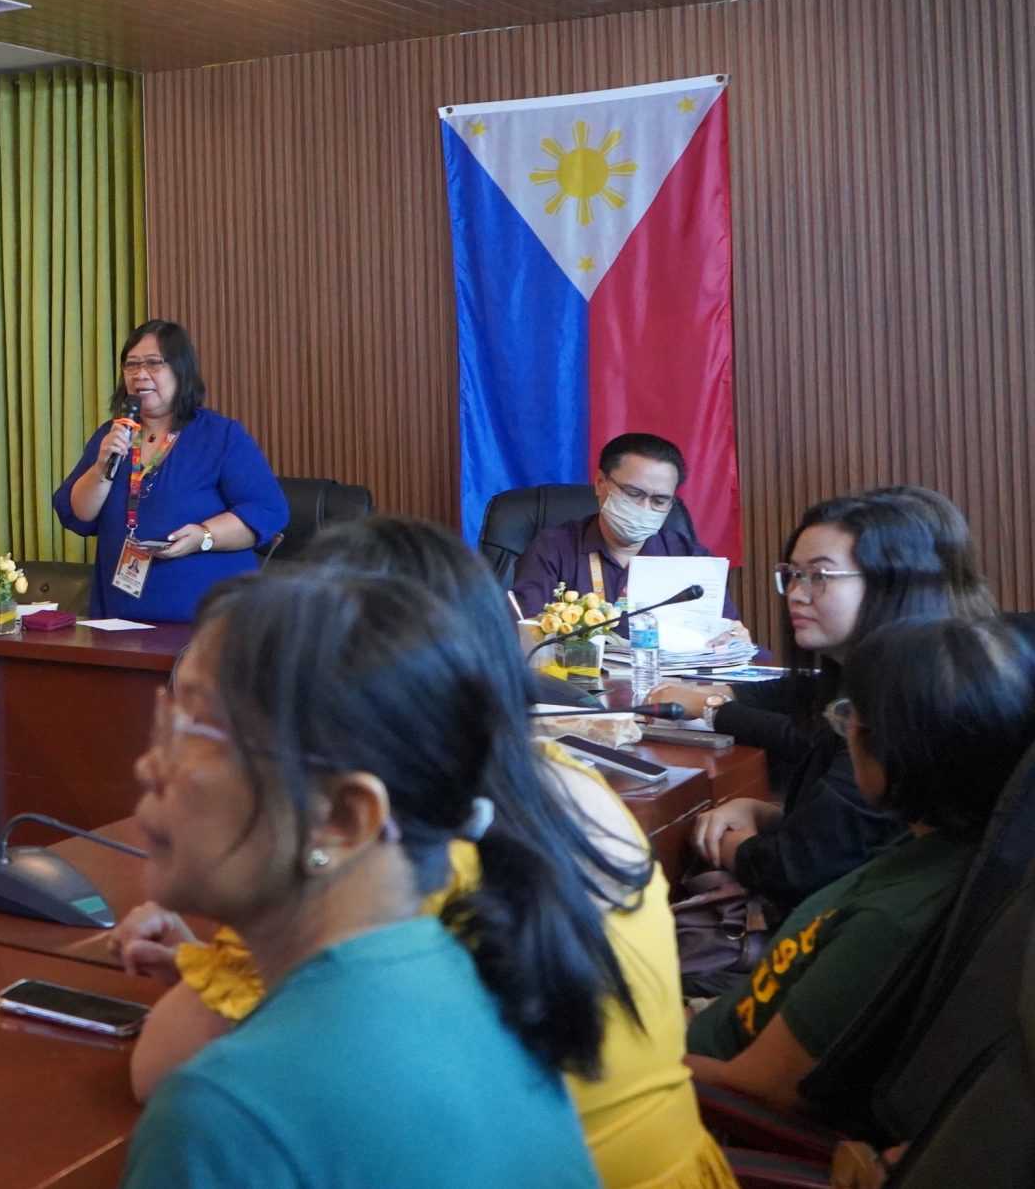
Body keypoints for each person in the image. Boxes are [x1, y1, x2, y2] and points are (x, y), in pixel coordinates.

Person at [115, 517, 729, 1189]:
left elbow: (168, 1068)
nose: (149, 763)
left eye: (201, 728)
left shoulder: (373, 863)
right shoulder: (556, 787)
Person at [686, 613, 1035, 1111]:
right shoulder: (951, 845)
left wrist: (629, 1065)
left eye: (849, 717)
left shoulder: (889, 923)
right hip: (719, 1019)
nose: (845, 732)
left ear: (900, 751)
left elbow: (757, 1089)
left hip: (701, 1093)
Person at [654, 488, 993, 913]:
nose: (797, 593)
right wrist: (767, 814)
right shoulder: (872, 679)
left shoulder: (902, 706)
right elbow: (855, 833)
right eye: (793, 574)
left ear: (893, 582)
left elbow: (797, 868)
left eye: (820, 575)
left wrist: (723, 843)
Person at [52, 320, 289, 624]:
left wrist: (204, 536)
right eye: (131, 365)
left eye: (153, 363)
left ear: (180, 370)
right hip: (118, 617)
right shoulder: (112, 435)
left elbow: (267, 511)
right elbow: (79, 514)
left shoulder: (220, 436)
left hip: (207, 619)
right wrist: (101, 467)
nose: (140, 374)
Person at [509, 433, 738, 620]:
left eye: (659, 500)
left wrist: (732, 641)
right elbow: (531, 634)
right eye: (633, 493)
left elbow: (724, 637)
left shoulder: (692, 559)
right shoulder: (552, 549)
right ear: (601, 483)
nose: (644, 508)